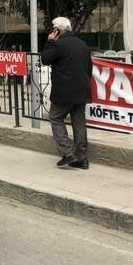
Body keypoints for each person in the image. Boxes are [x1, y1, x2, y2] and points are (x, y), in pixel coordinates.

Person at [40, 16, 93, 170]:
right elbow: (89, 69)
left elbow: (45, 59)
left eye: (53, 29)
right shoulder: (82, 44)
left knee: (55, 116)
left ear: (57, 30)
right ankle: (82, 159)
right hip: (82, 91)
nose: (52, 31)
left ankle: (67, 152)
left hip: (64, 92)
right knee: (79, 122)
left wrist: (50, 42)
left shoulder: (58, 44)